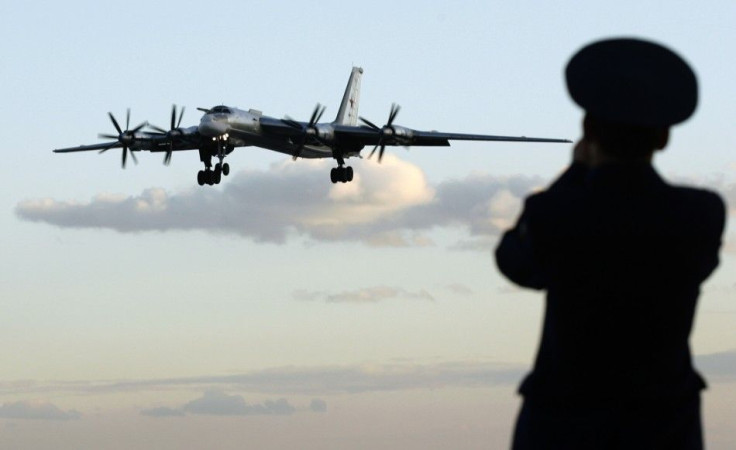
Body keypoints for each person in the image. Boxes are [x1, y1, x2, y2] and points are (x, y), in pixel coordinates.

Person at [495, 38, 726, 449]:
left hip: (562, 426)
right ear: (663, 137)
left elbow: (515, 263)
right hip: (663, 428)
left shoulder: (553, 213)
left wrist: (575, 172)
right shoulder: (700, 215)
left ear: (587, 130)